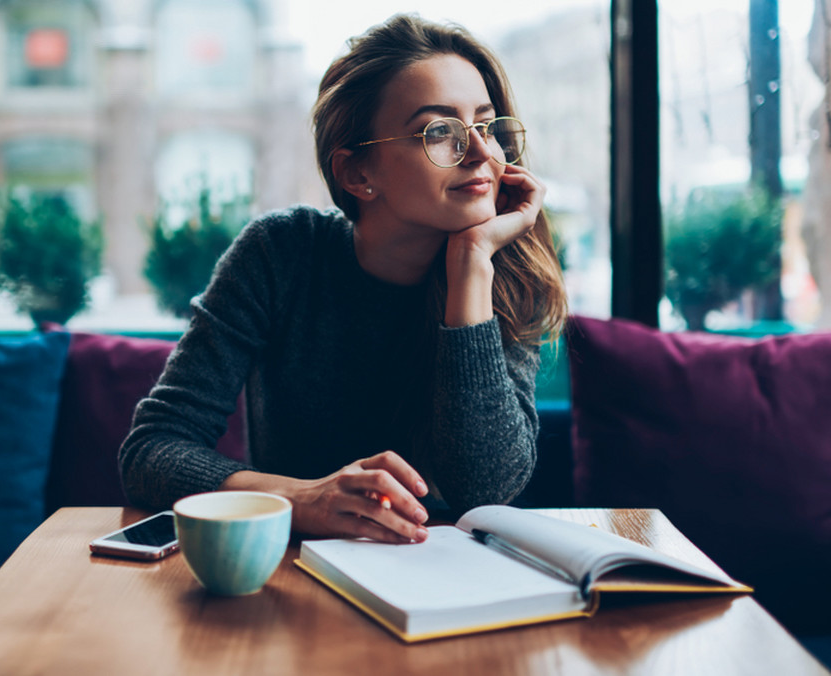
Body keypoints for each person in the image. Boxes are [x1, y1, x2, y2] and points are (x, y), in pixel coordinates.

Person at [119, 14, 567, 545]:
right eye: (439, 131)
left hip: (453, 578)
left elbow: (486, 490)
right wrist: (300, 499)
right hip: (295, 573)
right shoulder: (280, 254)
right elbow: (151, 449)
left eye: (487, 126)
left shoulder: (508, 270)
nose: (480, 154)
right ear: (358, 174)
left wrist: (472, 263)